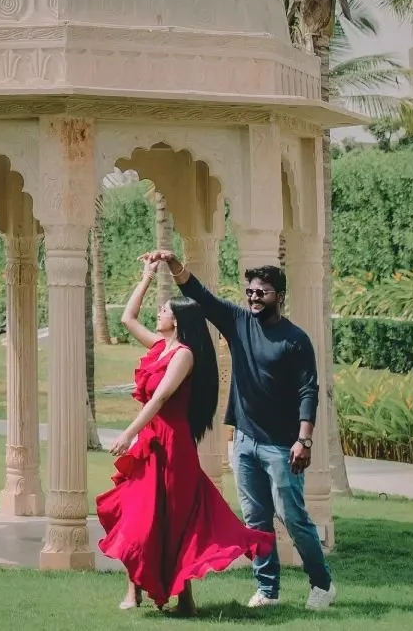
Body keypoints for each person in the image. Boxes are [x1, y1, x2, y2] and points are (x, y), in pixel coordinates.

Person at [145, 250, 337, 612]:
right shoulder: (237, 321)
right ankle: (267, 589)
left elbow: (308, 391)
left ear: (278, 296)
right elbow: (202, 296)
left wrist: (304, 439)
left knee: (292, 516)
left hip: (283, 446)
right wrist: (173, 264)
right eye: (249, 291)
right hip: (245, 441)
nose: (252, 297)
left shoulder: (295, 339)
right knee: (256, 519)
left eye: (261, 292)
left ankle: (322, 584)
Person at [97, 258, 274, 616]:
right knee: (138, 514)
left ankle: (183, 596)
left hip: (171, 445)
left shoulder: (183, 356)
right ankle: (137, 590)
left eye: (163, 310)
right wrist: (146, 277)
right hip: (152, 441)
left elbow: (161, 398)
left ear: (176, 319)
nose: (158, 313)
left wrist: (128, 433)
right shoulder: (160, 347)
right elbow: (127, 319)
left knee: (171, 519)